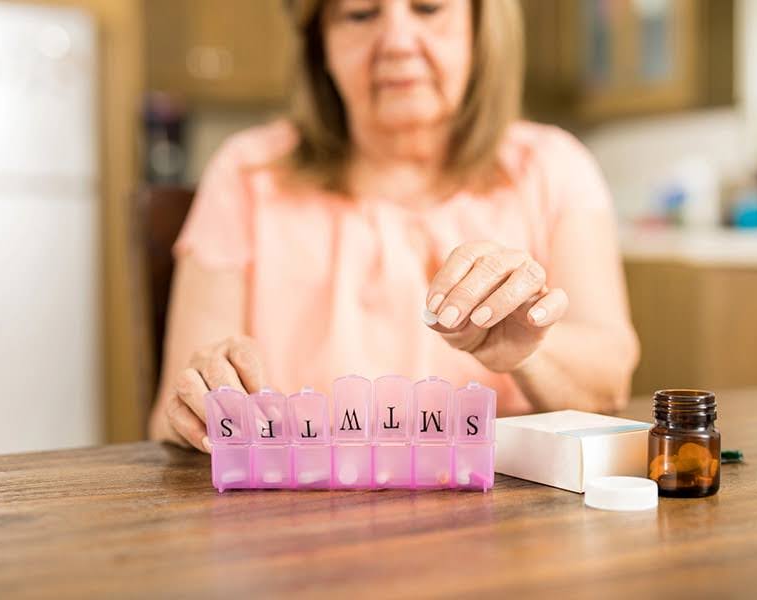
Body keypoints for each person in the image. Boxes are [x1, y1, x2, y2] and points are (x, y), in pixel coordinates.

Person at [149, 0, 639, 453]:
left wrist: (529, 353)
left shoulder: (554, 168)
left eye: (428, 7)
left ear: (480, 27)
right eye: (360, 14)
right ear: (321, 44)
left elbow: (610, 383)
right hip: (295, 527)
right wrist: (201, 398)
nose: (398, 42)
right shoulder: (245, 173)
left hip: (504, 529)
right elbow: (169, 419)